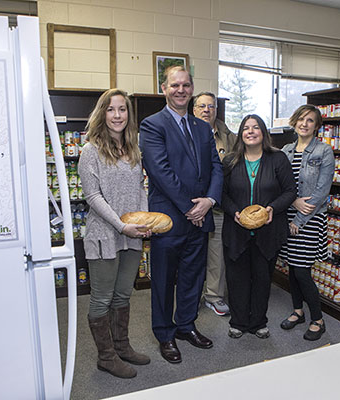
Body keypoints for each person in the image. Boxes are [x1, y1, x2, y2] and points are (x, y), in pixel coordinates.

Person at [139, 66, 223, 364]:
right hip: (169, 219)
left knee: (193, 277)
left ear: (192, 89)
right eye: (175, 85)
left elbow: (216, 166)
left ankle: (186, 325)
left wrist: (209, 200)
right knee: (163, 279)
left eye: (186, 85)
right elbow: (160, 172)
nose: (181, 90)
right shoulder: (152, 125)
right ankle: (164, 333)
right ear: (164, 88)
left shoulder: (202, 127)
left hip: (200, 218)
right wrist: (191, 208)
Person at [78, 89, 151, 379]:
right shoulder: (90, 151)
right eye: (111, 110)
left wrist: (144, 221)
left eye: (122, 110)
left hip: (132, 233)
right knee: (102, 297)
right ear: (102, 113)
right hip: (105, 235)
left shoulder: (134, 149)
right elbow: (92, 197)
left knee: (123, 294)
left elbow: (140, 189)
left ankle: (122, 346)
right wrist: (122, 226)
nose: (117, 115)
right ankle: (106, 357)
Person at [221, 114, 296, 339]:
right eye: (246, 128)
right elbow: (221, 193)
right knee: (237, 278)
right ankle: (238, 321)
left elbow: (290, 191)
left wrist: (273, 208)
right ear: (240, 134)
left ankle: (258, 322)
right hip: (236, 231)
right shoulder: (230, 161)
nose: (250, 131)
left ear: (263, 133)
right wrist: (234, 211)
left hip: (268, 232)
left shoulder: (278, 159)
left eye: (255, 128)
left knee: (262, 278)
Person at [279, 104, 334, 341]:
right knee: (292, 266)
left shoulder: (324, 151)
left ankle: (317, 319)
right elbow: (280, 185)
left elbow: (322, 191)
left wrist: (300, 218)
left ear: (316, 126)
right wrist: (292, 204)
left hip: (310, 218)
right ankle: (298, 311)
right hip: (288, 215)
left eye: (310, 120)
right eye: (301, 119)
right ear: (294, 121)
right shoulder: (285, 150)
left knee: (302, 270)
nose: (304, 123)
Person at [192, 92, 236, 316]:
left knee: (216, 255)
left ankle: (213, 296)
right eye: (202, 106)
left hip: (217, 206)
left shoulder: (229, 137)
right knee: (191, 254)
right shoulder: (185, 131)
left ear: (216, 111)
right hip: (190, 207)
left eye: (211, 106)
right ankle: (191, 295)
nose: (206, 110)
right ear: (194, 110)